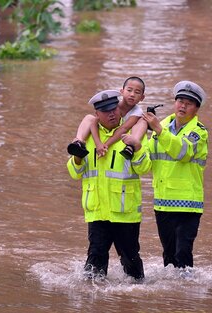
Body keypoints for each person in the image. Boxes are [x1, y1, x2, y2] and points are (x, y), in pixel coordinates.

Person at [66, 89, 152, 282]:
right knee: (94, 264)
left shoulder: (134, 132)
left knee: (131, 262)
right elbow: (74, 172)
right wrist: (78, 159)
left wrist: (136, 149)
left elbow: (145, 168)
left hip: (125, 212)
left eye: (114, 108)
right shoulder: (86, 137)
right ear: (97, 114)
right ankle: (93, 301)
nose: (111, 113)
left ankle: (135, 297)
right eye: (105, 111)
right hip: (97, 211)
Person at [142, 80, 208, 279]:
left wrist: (158, 131)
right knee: (169, 257)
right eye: (179, 100)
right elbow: (146, 163)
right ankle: (171, 299)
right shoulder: (158, 128)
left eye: (188, 102)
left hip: (188, 204)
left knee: (183, 253)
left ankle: (186, 295)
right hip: (162, 203)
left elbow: (182, 152)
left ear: (196, 108)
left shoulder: (199, 132)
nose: (182, 105)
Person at [67, 76, 147, 160]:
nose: (132, 94)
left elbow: (124, 128)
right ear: (122, 92)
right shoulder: (114, 105)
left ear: (142, 97)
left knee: (143, 120)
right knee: (89, 117)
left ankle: (131, 146)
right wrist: (98, 144)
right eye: (129, 90)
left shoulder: (137, 112)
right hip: (109, 129)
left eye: (137, 92)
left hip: (121, 134)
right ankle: (78, 142)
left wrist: (105, 145)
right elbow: (93, 122)